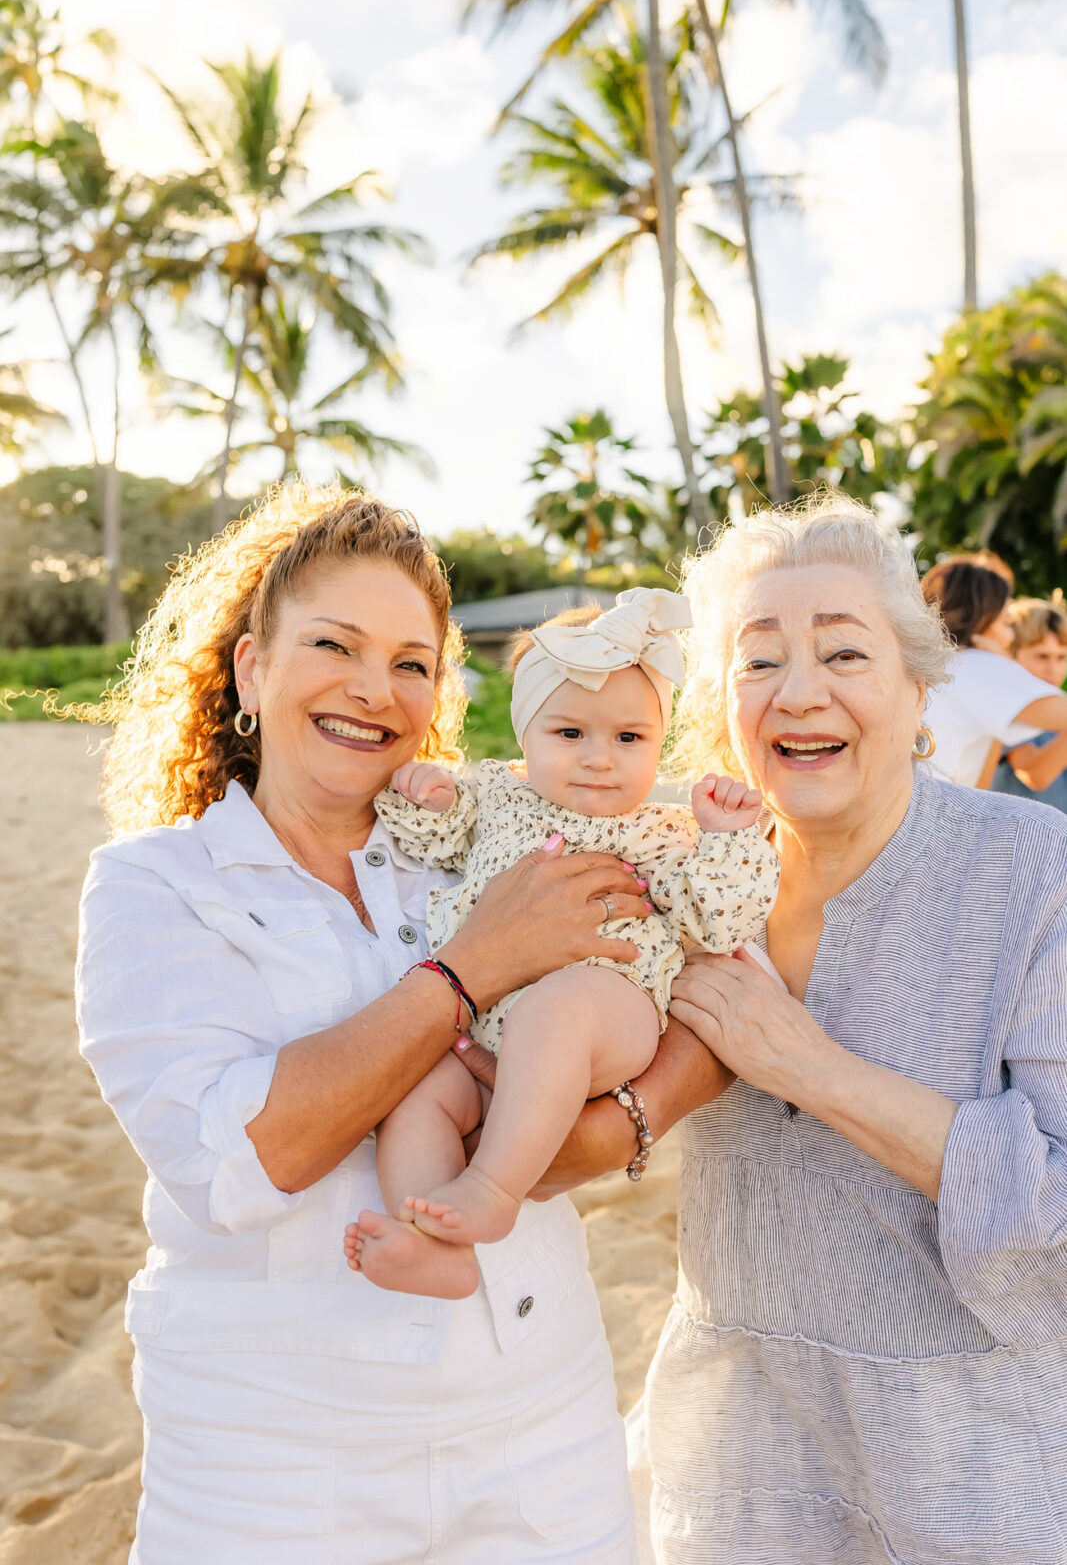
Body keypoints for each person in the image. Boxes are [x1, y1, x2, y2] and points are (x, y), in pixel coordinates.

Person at [75, 484, 651, 1564]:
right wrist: (475, 965)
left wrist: (626, 1121)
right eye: (332, 644)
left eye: (409, 662)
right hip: (274, 1464)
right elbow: (243, 1159)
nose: (371, 689)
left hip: (543, 1425)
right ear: (251, 666)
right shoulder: (154, 885)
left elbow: (679, 995)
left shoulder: (485, 840)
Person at [616, 493, 1067, 1563]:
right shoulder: (676, 869)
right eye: (757, 659)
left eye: (843, 654)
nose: (798, 693)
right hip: (731, 1442)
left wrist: (802, 1065)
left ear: (916, 687)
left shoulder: (1029, 871)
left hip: (967, 1451)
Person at [345, 590, 777, 1298]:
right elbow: (433, 839)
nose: (599, 760)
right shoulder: (496, 796)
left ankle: (488, 1190)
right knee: (418, 1094)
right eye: (569, 734)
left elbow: (717, 919)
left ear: (657, 741)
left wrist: (726, 838)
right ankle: (429, 1240)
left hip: (609, 1003)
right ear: (525, 733)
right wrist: (429, 797)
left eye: (628, 738)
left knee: (557, 1010)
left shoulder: (661, 831)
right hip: (487, 1017)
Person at [920, 556, 1067, 786]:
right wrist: (1006, 661)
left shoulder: (941, 668)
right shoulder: (976, 666)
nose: (1010, 637)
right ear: (981, 621)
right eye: (1006, 623)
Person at [991, 595, 1067, 813]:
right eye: (1042, 656)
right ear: (1011, 654)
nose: (1053, 668)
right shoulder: (1005, 706)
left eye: (1061, 658)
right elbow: (1036, 775)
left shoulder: (1060, 703)